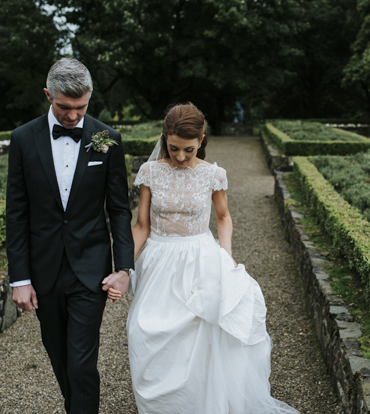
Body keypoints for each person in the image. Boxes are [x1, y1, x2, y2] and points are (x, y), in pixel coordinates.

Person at [106, 102, 298, 414]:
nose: (180, 157)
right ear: (165, 138)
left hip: (200, 260)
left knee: (197, 342)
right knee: (144, 332)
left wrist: (227, 260)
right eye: (173, 148)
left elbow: (223, 218)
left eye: (189, 150)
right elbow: (141, 225)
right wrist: (123, 267)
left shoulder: (213, 175)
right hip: (158, 262)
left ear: (202, 139)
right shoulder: (150, 172)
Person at [6, 58, 135, 414]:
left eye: (81, 107)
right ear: (48, 95)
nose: (73, 116)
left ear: (89, 98)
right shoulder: (21, 139)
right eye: (64, 107)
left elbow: (120, 209)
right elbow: (16, 214)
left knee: (81, 363)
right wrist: (20, 278)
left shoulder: (108, 138)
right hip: (43, 270)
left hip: (90, 269)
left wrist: (124, 268)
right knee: (61, 360)